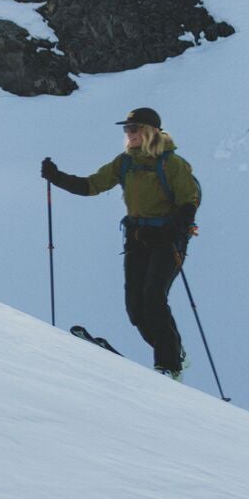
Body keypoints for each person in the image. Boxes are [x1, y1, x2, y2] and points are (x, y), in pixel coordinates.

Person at [42, 108, 201, 378]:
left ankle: (169, 365)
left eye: (134, 128)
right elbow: (91, 185)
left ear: (149, 131)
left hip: (167, 241)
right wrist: (56, 177)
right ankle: (173, 351)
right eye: (127, 129)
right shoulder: (125, 162)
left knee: (153, 298)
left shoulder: (172, 164)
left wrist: (173, 230)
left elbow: (189, 201)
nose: (129, 133)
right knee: (135, 309)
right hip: (137, 239)